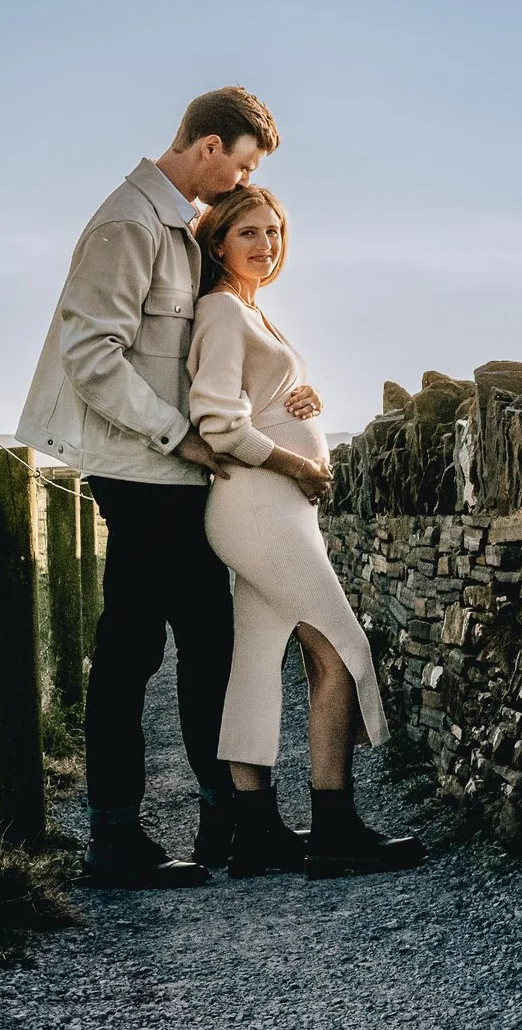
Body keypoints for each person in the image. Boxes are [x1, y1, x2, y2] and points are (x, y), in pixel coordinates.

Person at [17, 86, 310, 889]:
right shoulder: (129, 222)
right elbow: (94, 354)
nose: (242, 178)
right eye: (242, 162)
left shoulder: (180, 226)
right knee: (135, 649)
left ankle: (227, 818)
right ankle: (118, 836)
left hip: (175, 473)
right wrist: (180, 436)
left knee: (205, 638)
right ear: (208, 145)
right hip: (143, 470)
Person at [188, 185, 422, 878]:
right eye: (250, 234)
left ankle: (256, 832)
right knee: (341, 649)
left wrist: (305, 398)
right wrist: (299, 462)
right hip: (258, 505)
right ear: (218, 243)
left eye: (275, 232)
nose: (267, 245)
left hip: (273, 507)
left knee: (258, 660)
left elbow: (255, 403)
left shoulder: (251, 312)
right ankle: (336, 826)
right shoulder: (222, 311)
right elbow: (218, 421)